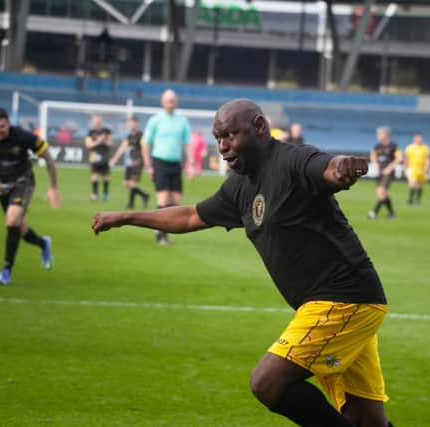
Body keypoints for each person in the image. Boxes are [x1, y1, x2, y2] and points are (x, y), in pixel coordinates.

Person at [93, 99, 393, 427]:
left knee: (268, 383)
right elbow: (191, 215)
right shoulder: (240, 185)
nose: (222, 146)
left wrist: (341, 168)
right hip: (335, 304)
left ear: (259, 128)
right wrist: (125, 217)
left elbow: (327, 168)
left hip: (344, 299)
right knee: (366, 419)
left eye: (230, 136)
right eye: (218, 138)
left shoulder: (292, 159)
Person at [0, 107, 60, 285]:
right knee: (20, 229)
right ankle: (43, 244)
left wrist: (53, 188)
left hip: (23, 182)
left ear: (8, 124)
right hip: (2, 186)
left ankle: (6, 270)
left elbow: (48, 158)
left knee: (12, 220)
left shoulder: (23, 137)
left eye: (2, 126)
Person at [141, 89, 193, 245]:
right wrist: (148, 165)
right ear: (162, 102)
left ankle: (159, 226)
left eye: (173, 101)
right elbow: (145, 142)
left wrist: (191, 163)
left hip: (175, 164)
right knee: (163, 199)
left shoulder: (182, 121)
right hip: (159, 162)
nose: (170, 103)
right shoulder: (155, 120)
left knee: (176, 202)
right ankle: (161, 234)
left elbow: (187, 143)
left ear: (176, 102)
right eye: (168, 101)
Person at [109, 116, 150, 210]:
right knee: (126, 183)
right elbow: (122, 148)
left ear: (137, 124)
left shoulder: (141, 135)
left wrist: (146, 163)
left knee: (132, 183)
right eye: (129, 123)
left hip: (138, 161)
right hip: (130, 161)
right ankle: (144, 195)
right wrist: (114, 159)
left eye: (133, 123)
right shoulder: (128, 136)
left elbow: (144, 149)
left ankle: (131, 204)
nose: (131, 125)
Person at [367, 126, 402, 219]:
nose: (378, 136)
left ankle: (374, 213)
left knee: (381, 192)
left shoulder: (393, 146)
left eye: (379, 134)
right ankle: (392, 214)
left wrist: (390, 167)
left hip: (388, 173)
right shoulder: (377, 146)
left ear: (385, 135)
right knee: (381, 194)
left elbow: (399, 158)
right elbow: (372, 154)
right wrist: (375, 164)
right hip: (380, 173)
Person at [85, 115, 114, 201]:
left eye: (98, 121)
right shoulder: (90, 132)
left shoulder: (107, 131)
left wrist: (104, 140)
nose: (96, 123)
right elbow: (88, 145)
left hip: (105, 155)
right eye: (94, 121)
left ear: (101, 121)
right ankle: (95, 194)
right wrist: (98, 141)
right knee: (94, 175)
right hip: (94, 156)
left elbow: (111, 143)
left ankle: (105, 194)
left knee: (106, 176)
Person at [404, 132, 430, 205]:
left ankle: (418, 199)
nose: (419, 139)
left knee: (420, 185)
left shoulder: (425, 148)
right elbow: (406, 159)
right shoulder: (409, 147)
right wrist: (405, 169)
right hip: (412, 168)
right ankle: (410, 199)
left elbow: (427, 159)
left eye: (420, 138)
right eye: (417, 138)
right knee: (412, 183)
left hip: (421, 169)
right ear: (414, 138)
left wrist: (427, 167)